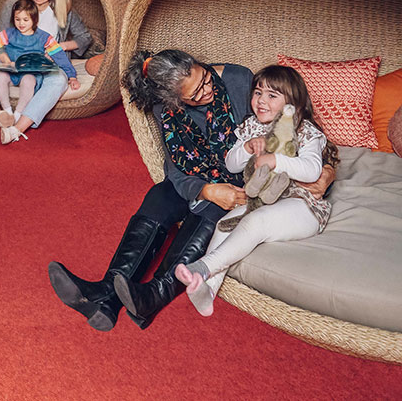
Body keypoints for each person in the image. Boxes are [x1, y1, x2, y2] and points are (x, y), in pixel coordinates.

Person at [46, 49, 336, 330]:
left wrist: (326, 170)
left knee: (212, 210)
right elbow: (174, 166)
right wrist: (204, 190)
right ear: (174, 99)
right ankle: (108, 294)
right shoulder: (166, 108)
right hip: (202, 178)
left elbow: (293, 128)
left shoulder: (239, 79)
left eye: (206, 80)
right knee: (160, 196)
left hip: (239, 180)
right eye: (195, 94)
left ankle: (154, 295)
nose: (206, 92)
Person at [174, 65, 332, 316]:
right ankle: (207, 290)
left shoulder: (305, 130)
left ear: (293, 104)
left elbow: (312, 170)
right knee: (224, 224)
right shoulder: (251, 127)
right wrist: (246, 148)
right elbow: (231, 164)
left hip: (302, 205)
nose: (261, 101)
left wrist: (276, 160)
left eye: (272, 95)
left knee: (255, 222)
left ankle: (202, 268)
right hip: (261, 198)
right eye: (258, 92)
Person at [0, 0, 91, 139]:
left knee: (59, 81)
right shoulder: (14, 5)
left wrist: (62, 47)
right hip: (11, 62)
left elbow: (85, 37)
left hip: (44, 65)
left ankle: (17, 129)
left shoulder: (64, 9)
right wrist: (4, 59)